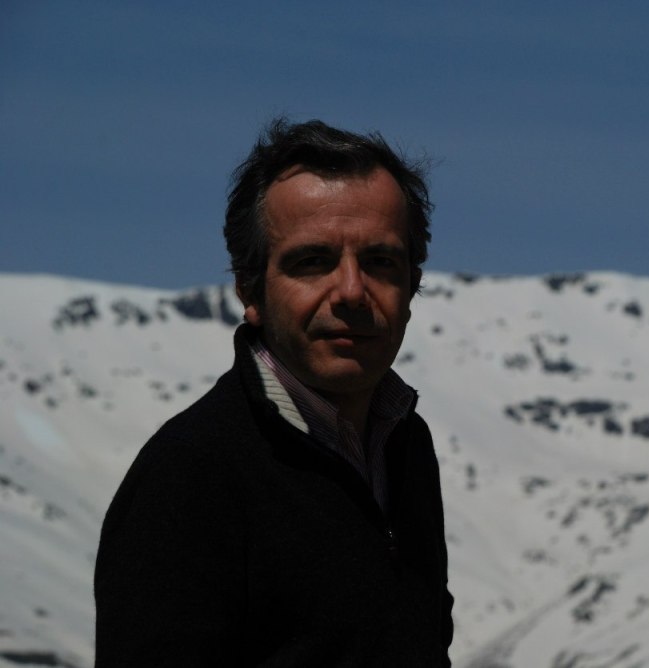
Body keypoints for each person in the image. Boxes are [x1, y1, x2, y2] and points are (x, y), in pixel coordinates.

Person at [94, 119, 454, 666]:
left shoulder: (405, 444)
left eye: (380, 262)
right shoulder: (191, 475)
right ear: (250, 290)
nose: (351, 291)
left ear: (413, 285)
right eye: (312, 262)